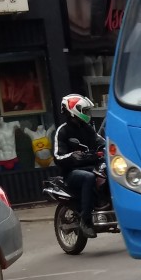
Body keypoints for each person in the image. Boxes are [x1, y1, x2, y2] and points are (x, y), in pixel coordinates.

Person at [53, 94, 105, 238]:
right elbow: (57, 156)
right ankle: (85, 220)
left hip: (91, 166)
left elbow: (100, 141)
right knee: (89, 177)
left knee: (109, 172)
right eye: (85, 110)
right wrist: (72, 156)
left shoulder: (87, 128)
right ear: (74, 110)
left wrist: (113, 146)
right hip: (72, 172)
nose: (87, 113)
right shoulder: (63, 131)